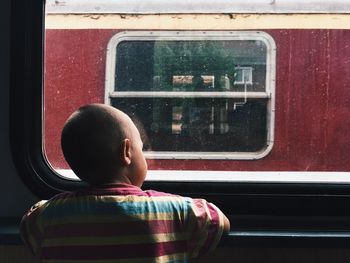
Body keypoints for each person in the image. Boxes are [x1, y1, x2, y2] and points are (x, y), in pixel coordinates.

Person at [20, 103, 230, 262]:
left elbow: (28, 227)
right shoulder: (174, 211)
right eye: (142, 148)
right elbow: (219, 221)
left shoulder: (46, 217)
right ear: (126, 151)